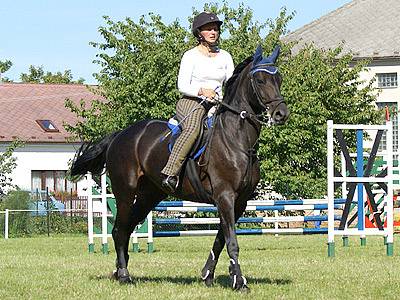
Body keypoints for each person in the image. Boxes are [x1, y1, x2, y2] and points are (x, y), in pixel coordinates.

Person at [161, 11, 234, 193]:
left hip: (218, 104)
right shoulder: (190, 56)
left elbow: (231, 84)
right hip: (192, 102)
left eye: (216, 29)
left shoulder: (225, 56)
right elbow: (182, 85)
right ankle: (170, 173)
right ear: (199, 33)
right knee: (193, 128)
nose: (213, 32)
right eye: (209, 29)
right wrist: (202, 91)